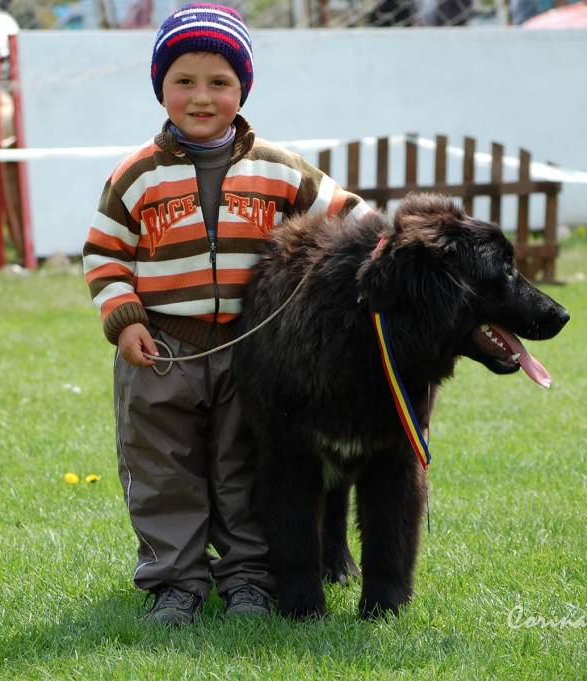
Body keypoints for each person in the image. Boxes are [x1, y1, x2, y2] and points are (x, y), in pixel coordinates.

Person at [82, 2, 371, 626]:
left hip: (251, 353)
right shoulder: (136, 175)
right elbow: (104, 253)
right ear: (160, 86)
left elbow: (353, 217)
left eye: (220, 81)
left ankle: (247, 580)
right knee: (164, 472)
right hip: (160, 353)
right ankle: (175, 583)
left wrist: (390, 254)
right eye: (183, 80)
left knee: (244, 469)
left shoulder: (279, 168)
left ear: (243, 89)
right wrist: (125, 319)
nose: (201, 96)